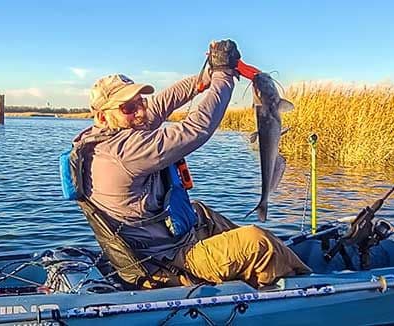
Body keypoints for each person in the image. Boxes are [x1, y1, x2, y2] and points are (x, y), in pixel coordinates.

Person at [68, 40, 311, 289]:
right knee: (259, 243)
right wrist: (224, 76)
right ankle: (307, 286)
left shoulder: (105, 135)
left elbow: (162, 103)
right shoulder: (124, 152)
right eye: (129, 107)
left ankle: (265, 270)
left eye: (141, 102)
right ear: (101, 115)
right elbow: (195, 129)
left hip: (172, 241)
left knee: (202, 213)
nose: (140, 111)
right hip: (167, 264)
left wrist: (206, 76)